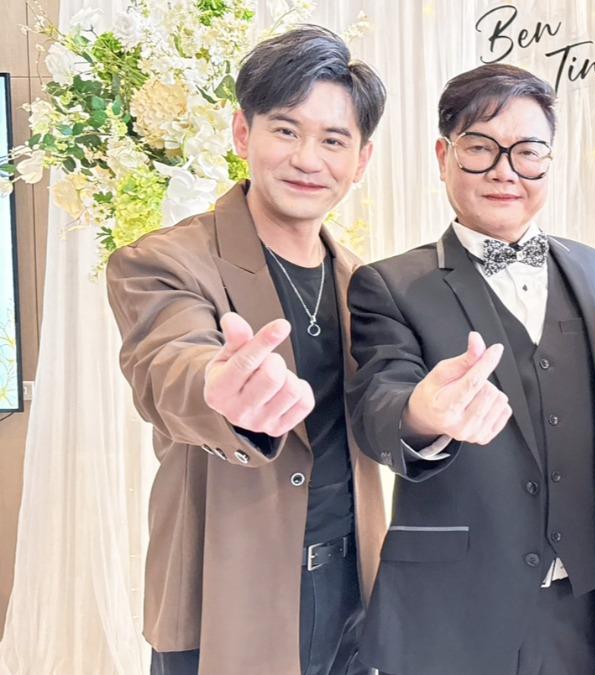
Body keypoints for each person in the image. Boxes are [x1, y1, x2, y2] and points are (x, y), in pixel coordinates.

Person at [105, 26, 387, 675]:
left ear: (361, 160)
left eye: (333, 140)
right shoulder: (166, 260)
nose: (308, 159)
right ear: (242, 133)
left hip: (353, 597)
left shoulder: (363, 283)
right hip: (226, 601)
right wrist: (218, 389)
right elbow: (168, 364)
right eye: (285, 130)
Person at [346, 63, 595, 675]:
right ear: (443, 156)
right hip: (451, 612)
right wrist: (422, 413)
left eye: (527, 151)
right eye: (480, 148)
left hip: (581, 611)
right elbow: (377, 405)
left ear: (549, 160)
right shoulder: (391, 285)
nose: (505, 171)